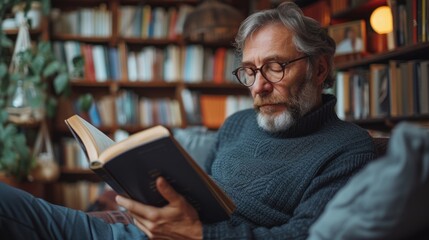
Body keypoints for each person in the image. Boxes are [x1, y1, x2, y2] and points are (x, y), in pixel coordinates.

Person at [0, 2, 376, 239]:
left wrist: (199, 234)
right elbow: (204, 193)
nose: (259, 86)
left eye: (275, 67)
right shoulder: (239, 124)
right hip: (145, 228)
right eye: (248, 71)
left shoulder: (349, 149)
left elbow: (304, 234)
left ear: (320, 68)